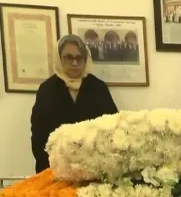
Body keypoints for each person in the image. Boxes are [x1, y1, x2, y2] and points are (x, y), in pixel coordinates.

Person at [31, 35, 118, 173]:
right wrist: (51, 167)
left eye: (79, 57)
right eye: (69, 57)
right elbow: (38, 134)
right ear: (59, 59)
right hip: (55, 170)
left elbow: (113, 128)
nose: (75, 62)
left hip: (93, 170)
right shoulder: (47, 90)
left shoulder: (98, 88)